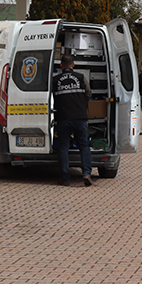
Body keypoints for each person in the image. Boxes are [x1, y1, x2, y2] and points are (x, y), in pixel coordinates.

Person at [53, 53, 94, 187]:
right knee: (84, 146)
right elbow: (89, 94)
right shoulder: (81, 77)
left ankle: (65, 178)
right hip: (80, 117)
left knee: (63, 148)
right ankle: (87, 173)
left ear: (61, 65)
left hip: (63, 118)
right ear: (73, 65)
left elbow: (51, 98)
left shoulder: (55, 80)